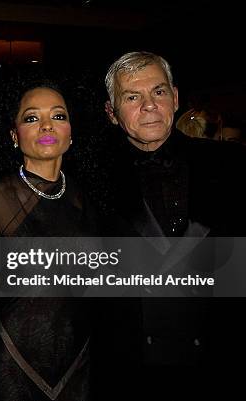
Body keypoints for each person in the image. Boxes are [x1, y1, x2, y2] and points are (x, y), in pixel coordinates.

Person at [97, 50, 246, 401]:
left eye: (158, 92)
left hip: (222, 359)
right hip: (132, 369)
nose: (149, 105)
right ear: (111, 112)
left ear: (175, 98)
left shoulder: (233, 163)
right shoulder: (90, 179)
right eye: (132, 97)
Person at [0, 76, 96, 401]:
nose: (47, 126)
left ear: (71, 132)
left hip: (79, 357)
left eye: (58, 116)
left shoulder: (86, 197)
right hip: (13, 359)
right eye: (32, 118)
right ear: (14, 136)